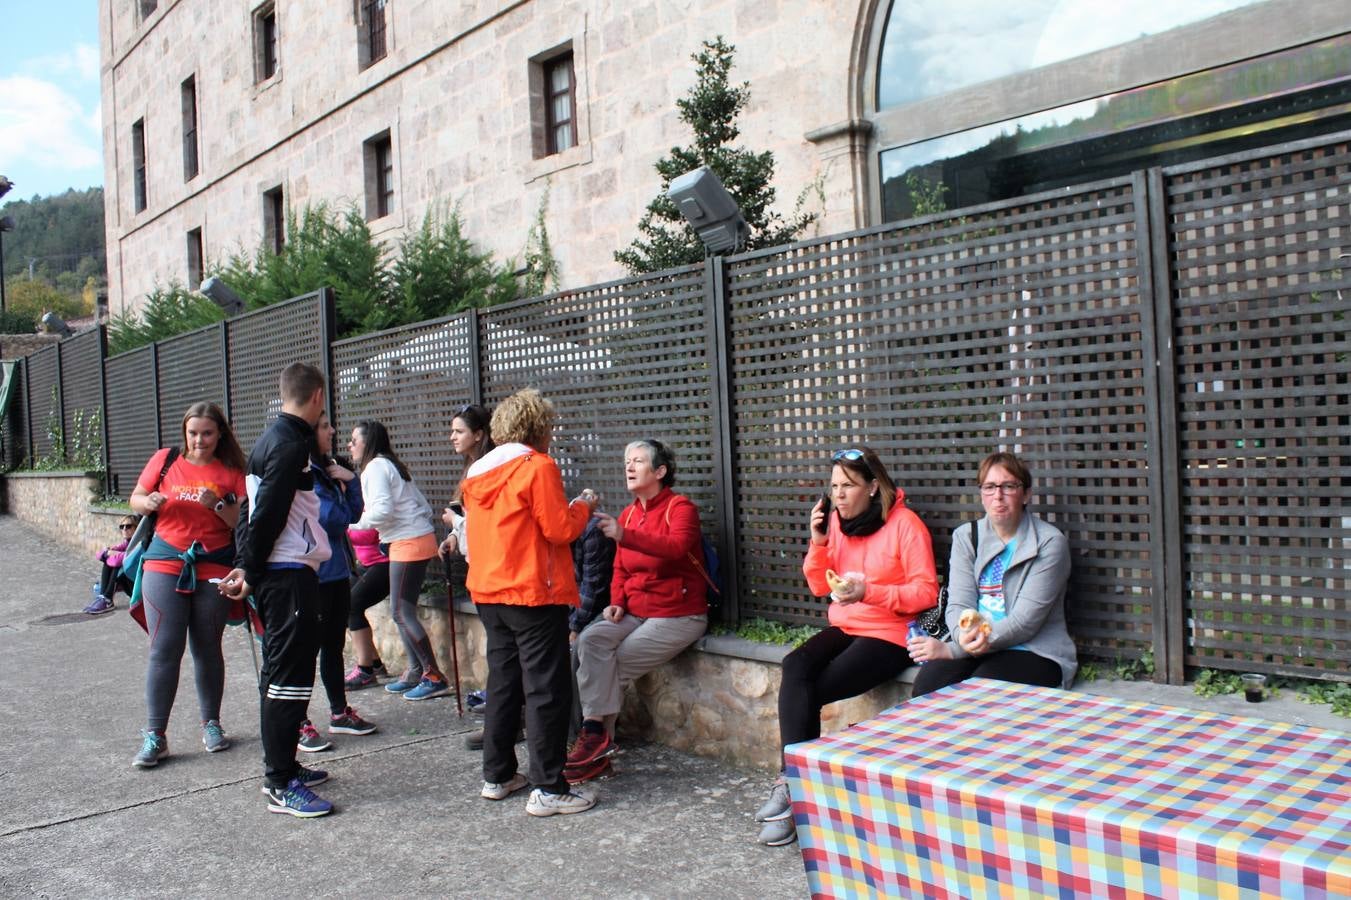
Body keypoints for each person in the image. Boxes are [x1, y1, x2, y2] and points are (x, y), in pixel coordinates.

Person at [754, 447, 938, 846]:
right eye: (835, 485)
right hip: (847, 624)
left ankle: (797, 794)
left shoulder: (906, 525)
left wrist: (869, 591)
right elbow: (821, 586)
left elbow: (926, 592)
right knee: (795, 666)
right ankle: (793, 785)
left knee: (809, 694)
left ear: (873, 487)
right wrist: (818, 543)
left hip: (889, 633)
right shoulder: (836, 524)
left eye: (848, 486)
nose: (838, 494)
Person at [461, 388, 599, 816]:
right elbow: (559, 530)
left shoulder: (478, 471)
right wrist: (584, 507)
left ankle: (497, 776)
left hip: (489, 591)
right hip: (533, 592)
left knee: (503, 684)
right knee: (546, 690)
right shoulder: (537, 467)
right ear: (539, 427)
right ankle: (549, 788)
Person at [219, 363, 334, 818]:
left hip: (281, 572)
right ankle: (279, 782)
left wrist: (245, 564)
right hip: (286, 574)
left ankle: (285, 765)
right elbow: (265, 512)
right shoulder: (288, 446)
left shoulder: (271, 441)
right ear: (318, 396)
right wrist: (248, 566)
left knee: (284, 673)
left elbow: (249, 509)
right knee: (287, 677)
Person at [566, 440, 707, 783]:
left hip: (679, 613)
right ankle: (597, 741)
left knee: (615, 662)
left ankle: (594, 744)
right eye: (627, 460)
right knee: (590, 641)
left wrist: (626, 536)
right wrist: (615, 600)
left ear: (659, 471)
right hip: (634, 612)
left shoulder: (680, 508)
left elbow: (675, 548)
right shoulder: (628, 514)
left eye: (639, 461)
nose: (629, 466)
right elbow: (620, 569)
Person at [128, 403, 246, 768]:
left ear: (220, 434)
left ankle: (211, 724)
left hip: (214, 565)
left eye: (207, 433)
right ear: (185, 432)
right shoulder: (166, 459)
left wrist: (217, 507)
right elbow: (135, 498)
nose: (199, 440)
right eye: (193, 433)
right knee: (164, 649)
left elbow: (240, 520)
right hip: (164, 563)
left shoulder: (232, 469)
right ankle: (155, 735)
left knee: (208, 648)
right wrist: (148, 502)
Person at [907, 451, 1075, 696]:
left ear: (1026, 494)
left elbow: (1024, 624)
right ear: (981, 495)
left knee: (980, 691)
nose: (998, 496)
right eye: (989, 487)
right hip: (973, 644)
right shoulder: (967, 537)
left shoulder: (1048, 542)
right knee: (926, 688)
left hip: (1033, 650)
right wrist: (960, 638)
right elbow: (958, 604)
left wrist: (955, 650)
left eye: (1008, 486)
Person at [349, 419, 449, 701]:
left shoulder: (375, 468)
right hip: (410, 539)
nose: (349, 445)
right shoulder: (389, 464)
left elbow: (381, 510)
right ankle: (417, 670)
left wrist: (355, 525)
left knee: (401, 612)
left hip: (408, 542)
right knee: (401, 610)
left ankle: (433, 675)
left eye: (354, 440)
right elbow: (421, 505)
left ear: (367, 443)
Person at [297, 411, 377, 753]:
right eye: (325, 426)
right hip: (310, 576)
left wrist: (351, 481)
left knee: (332, 645)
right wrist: (344, 491)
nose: (332, 431)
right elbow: (330, 518)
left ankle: (338, 712)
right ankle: (297, 720)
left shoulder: (330, 470)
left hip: (336, 573)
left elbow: (356, 513)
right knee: (303, 651)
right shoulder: (305, 470)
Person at [343, 525, 391, 689]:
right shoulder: (352, 503)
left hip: (385, 564)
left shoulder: (376, 502)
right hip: (364, 564)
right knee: (341, 603)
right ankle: (375, 664)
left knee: (352, 606)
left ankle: (366, 670)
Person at [85, 514, 140, 615]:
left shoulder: (139, 544)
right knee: (109, 561)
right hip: (128, 583)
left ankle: (107, 599)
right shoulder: (126, 543)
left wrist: (113, 554)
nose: (124, 529)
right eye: (121, 526)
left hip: (137, 589)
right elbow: (100, 554)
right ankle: (104, 597)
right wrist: (108, 553)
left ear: (136, 528)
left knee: (117, 564)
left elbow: (118, 561)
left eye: (128, 526)